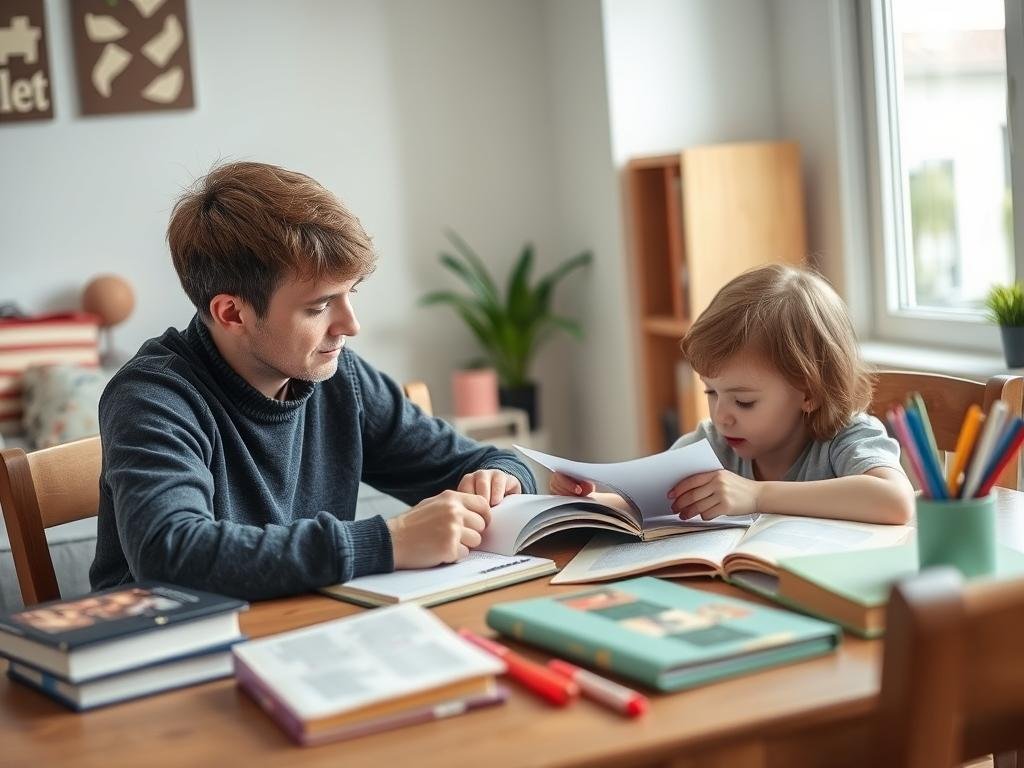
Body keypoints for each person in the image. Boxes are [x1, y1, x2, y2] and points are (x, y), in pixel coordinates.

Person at [90, 161, 536, 600]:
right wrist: (389, 541)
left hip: (308, 624)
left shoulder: (341, 380)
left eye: (350, 293)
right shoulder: (152, 397)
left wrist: (502, 478)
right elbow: (171, 553)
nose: (350, 325)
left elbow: (482, 461)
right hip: (172, 639)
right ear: (232, 313)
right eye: (319, 306)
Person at [551, 265, 914, 525]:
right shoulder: (712, 444)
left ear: (810, 393)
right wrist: (586, 501)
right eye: (711, 392)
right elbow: (647, 504)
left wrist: (757, 495)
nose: (721, 415)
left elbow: (896, 501)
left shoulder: (845, 437)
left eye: (744, 401)